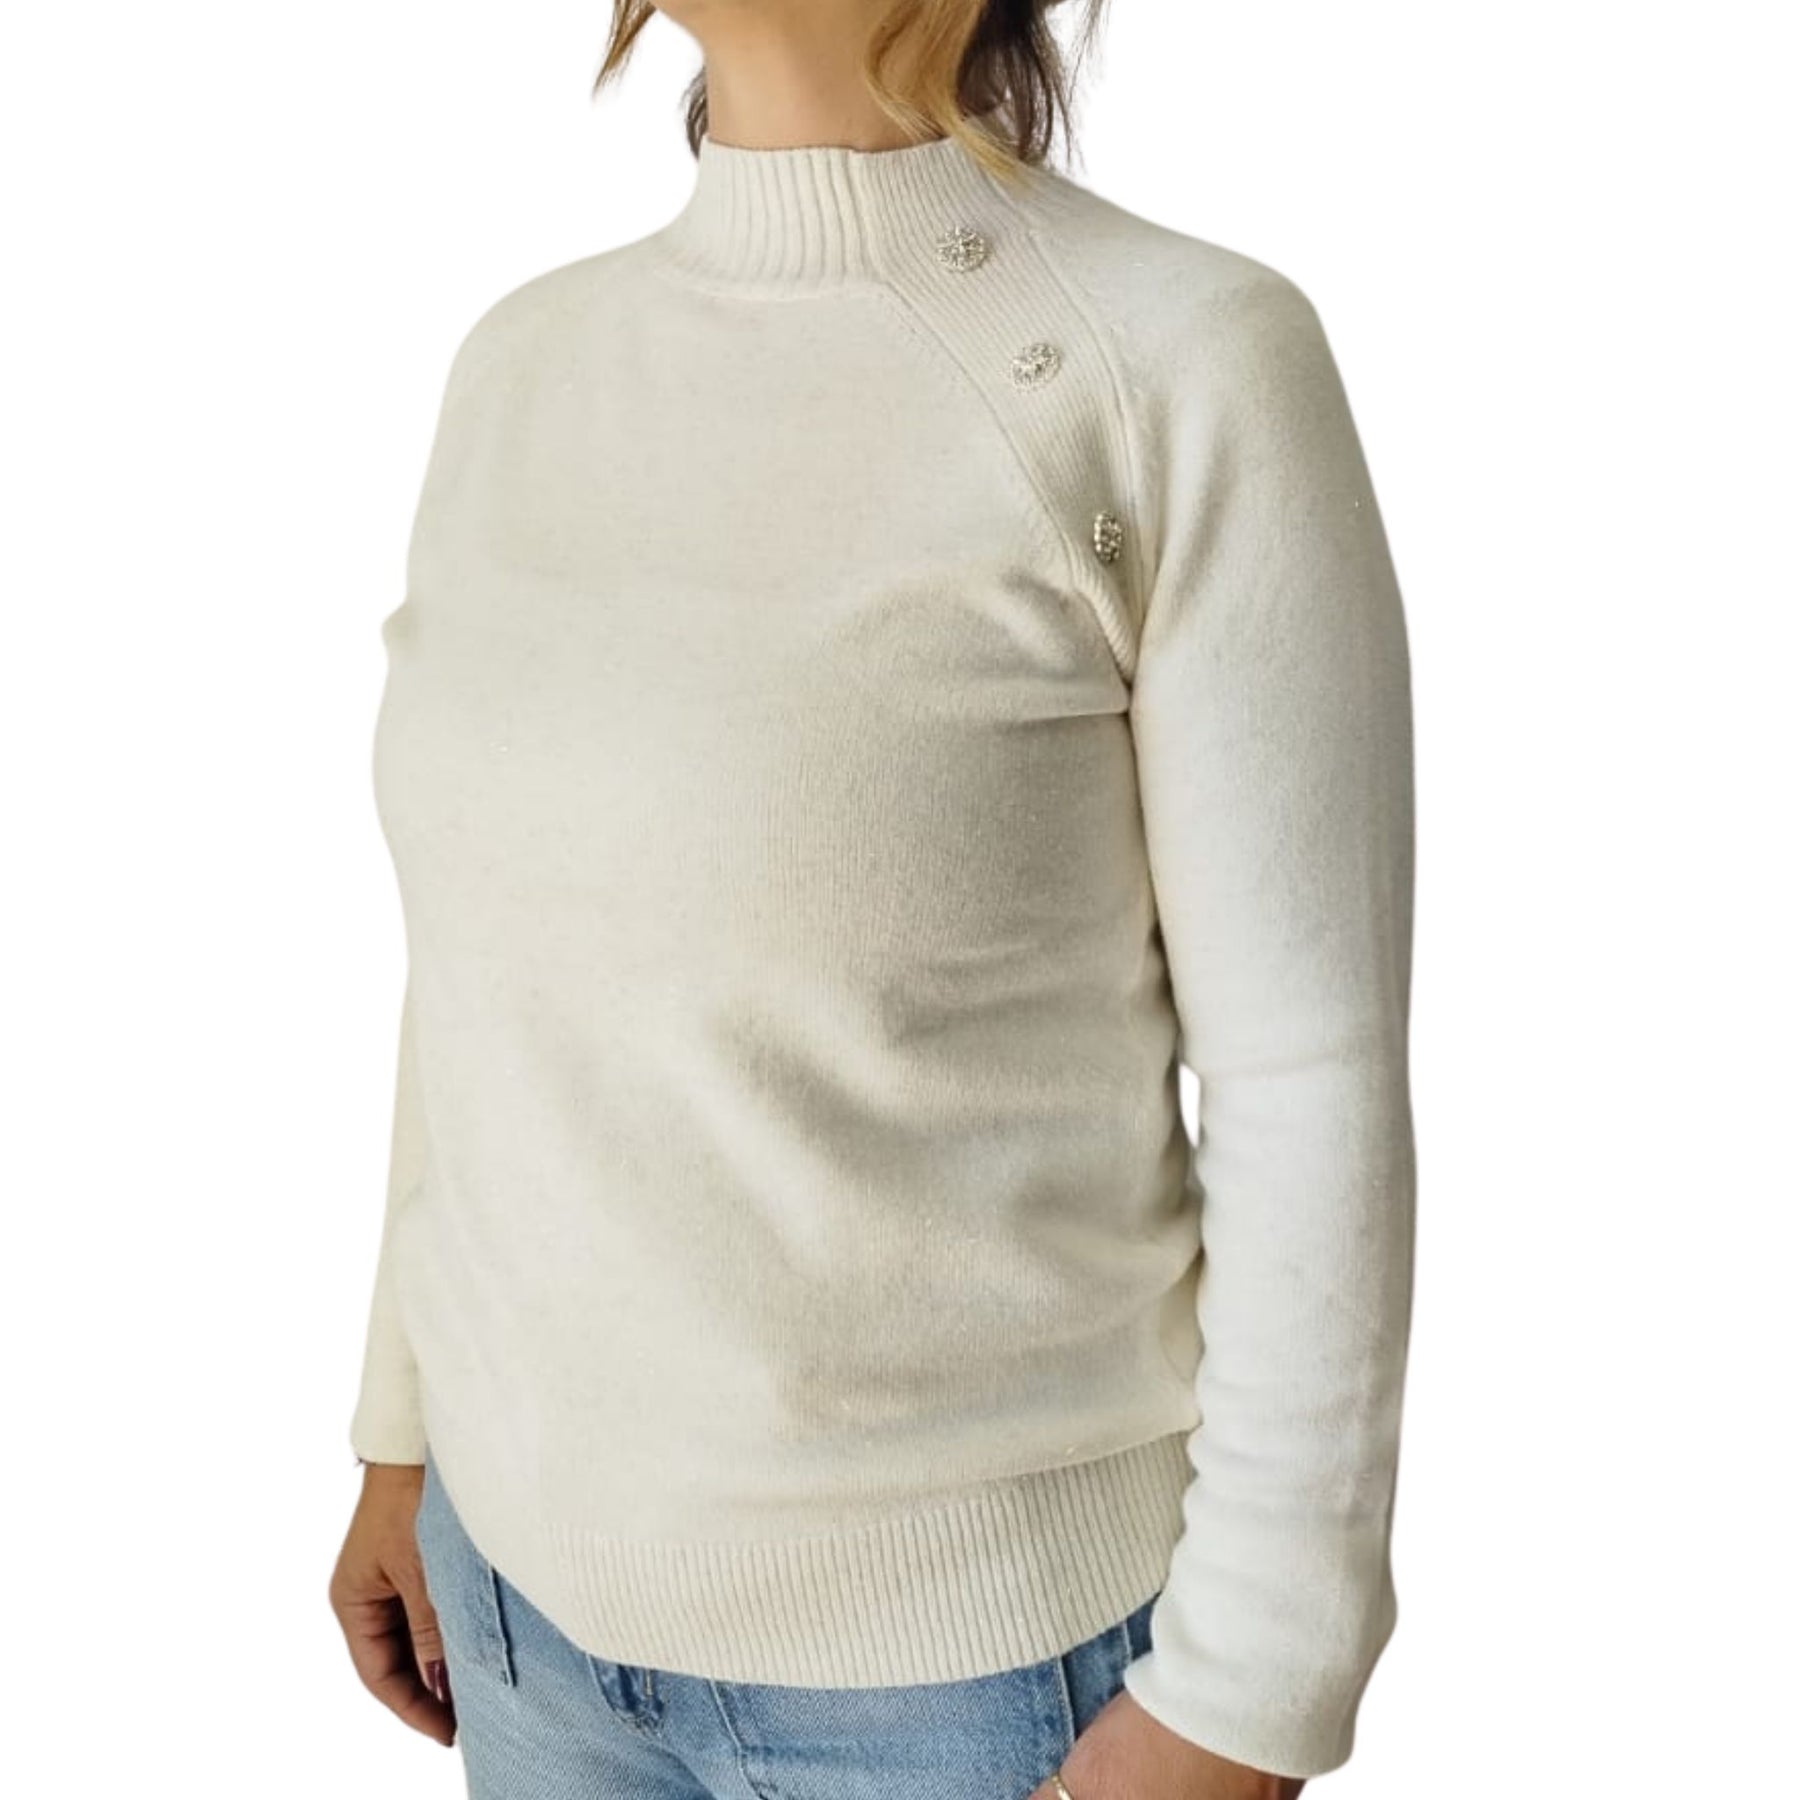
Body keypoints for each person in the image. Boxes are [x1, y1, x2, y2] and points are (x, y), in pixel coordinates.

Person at [325, 3, 1419, 1796]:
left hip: (967, 1695)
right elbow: (483, 972)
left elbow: (1308, 1076)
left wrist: (1250, 1691)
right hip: (518, 1625)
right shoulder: (524, 362)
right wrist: (403, 1427)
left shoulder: (1178, 362)